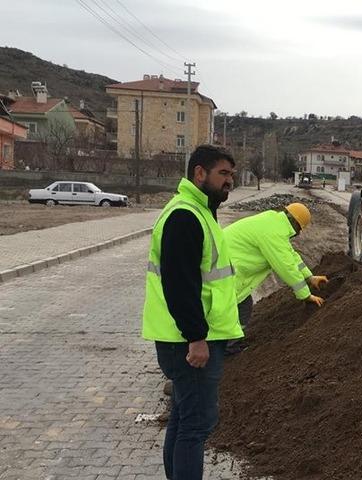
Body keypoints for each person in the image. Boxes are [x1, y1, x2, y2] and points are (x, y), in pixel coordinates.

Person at [141, 144, 241, 480]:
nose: (230, 180)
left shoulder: (198, 210)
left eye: (231, 174)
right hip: (191, 342)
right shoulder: (185, 215)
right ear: (200, 173)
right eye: (223, 173)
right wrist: (196, 337)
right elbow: (179, 283)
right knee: (196, 426)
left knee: (184, 419)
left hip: (186, 338)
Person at [223, 202, 328, 353]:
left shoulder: (274, 223)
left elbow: (291, 255)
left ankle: (228, 346)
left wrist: (310, 277)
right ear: (298, 226)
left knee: (242, 304)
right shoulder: (274, 233)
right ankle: (226, 349)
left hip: (229, 268)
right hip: (226, 273)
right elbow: (287, 267)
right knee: (235, 308)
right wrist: (306, 295)